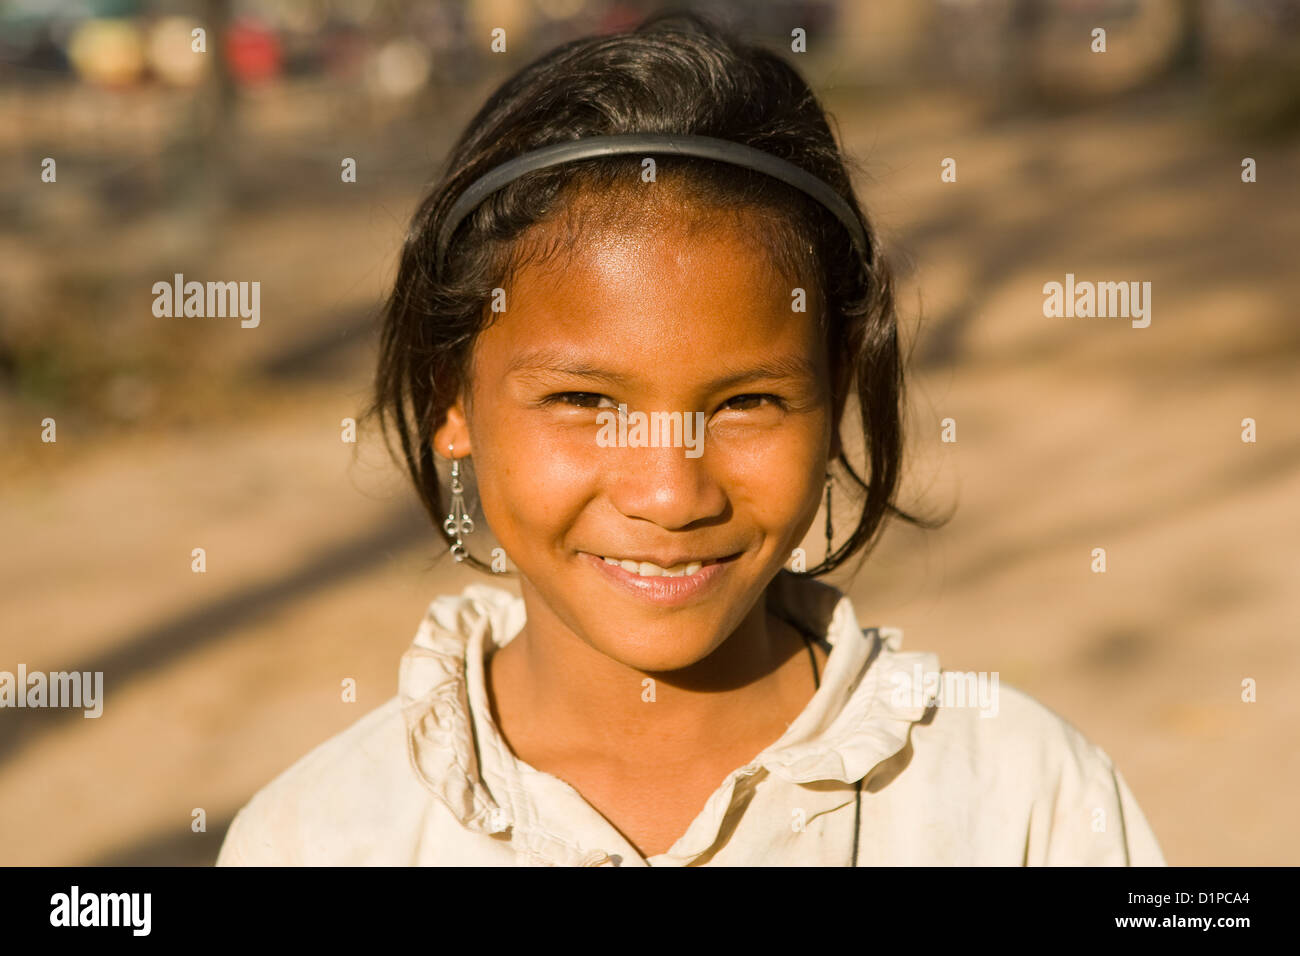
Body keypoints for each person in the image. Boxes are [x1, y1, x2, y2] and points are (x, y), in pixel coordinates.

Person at [216, 10, 1165, 867]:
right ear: (450, 403)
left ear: (834, 397)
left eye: (747, 402)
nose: (671, 494)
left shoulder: (1023, 802)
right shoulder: (320, 836)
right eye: (586, 401)